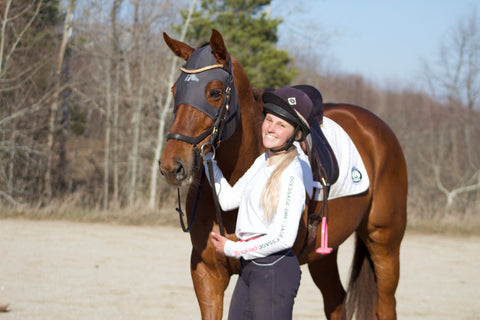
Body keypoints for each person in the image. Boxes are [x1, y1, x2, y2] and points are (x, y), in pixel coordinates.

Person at [203, 87, 314, 320]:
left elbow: (282, 238)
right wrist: (209, 162)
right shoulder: (262, 160)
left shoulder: (292, 174)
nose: (271, 128)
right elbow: (228, 200)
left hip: (275, 270)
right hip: (250, 267)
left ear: (295, 135)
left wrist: (233, 248)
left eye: (281, 125)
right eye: (269, 120)